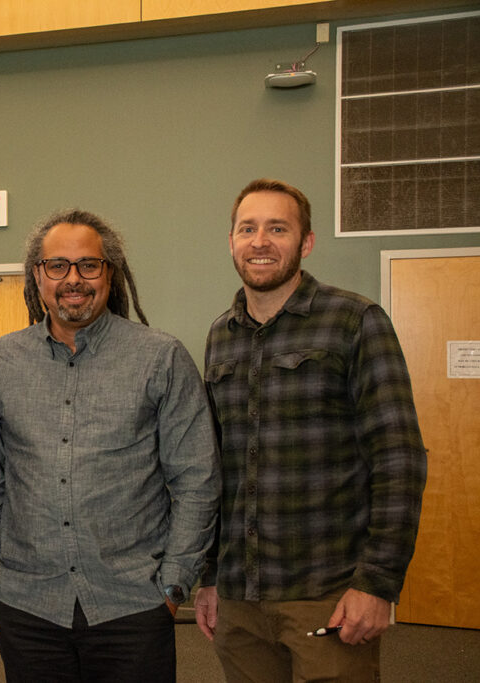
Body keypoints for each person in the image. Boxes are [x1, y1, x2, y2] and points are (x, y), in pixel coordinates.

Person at [0, 209, 221, 682]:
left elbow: (197, 478)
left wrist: (173, 583)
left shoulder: (160, 358)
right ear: (37, 276)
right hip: (26, 605)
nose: (73, 279)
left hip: (134, 606)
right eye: (57, 266)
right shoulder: (1, 362)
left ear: (110, 273)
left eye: (88, 265)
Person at [195, 178, 427, 682]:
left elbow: (398, 459)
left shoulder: (354, 320)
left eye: (277, 228)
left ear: (306, 242)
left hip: (328, 591)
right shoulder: (220, 336)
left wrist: (377, 583)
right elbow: (213, 469)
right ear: (231, 241)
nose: (260, 241)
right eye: (247, 229)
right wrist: (209, 577)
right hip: (240, 595)